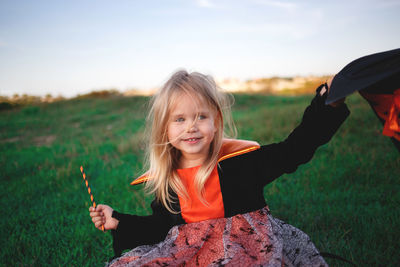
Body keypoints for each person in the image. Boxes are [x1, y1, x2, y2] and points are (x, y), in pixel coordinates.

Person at [89, 70, 349, 266]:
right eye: (179, 119)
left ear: (216, 122)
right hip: (194, 254)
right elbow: (161, 228)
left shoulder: (240, 162)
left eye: (201, 116)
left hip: (249, 249)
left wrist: (327, 105)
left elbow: (294, 150)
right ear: (164, 129)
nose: (191, 126)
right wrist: (117, 220)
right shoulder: (169, 181)